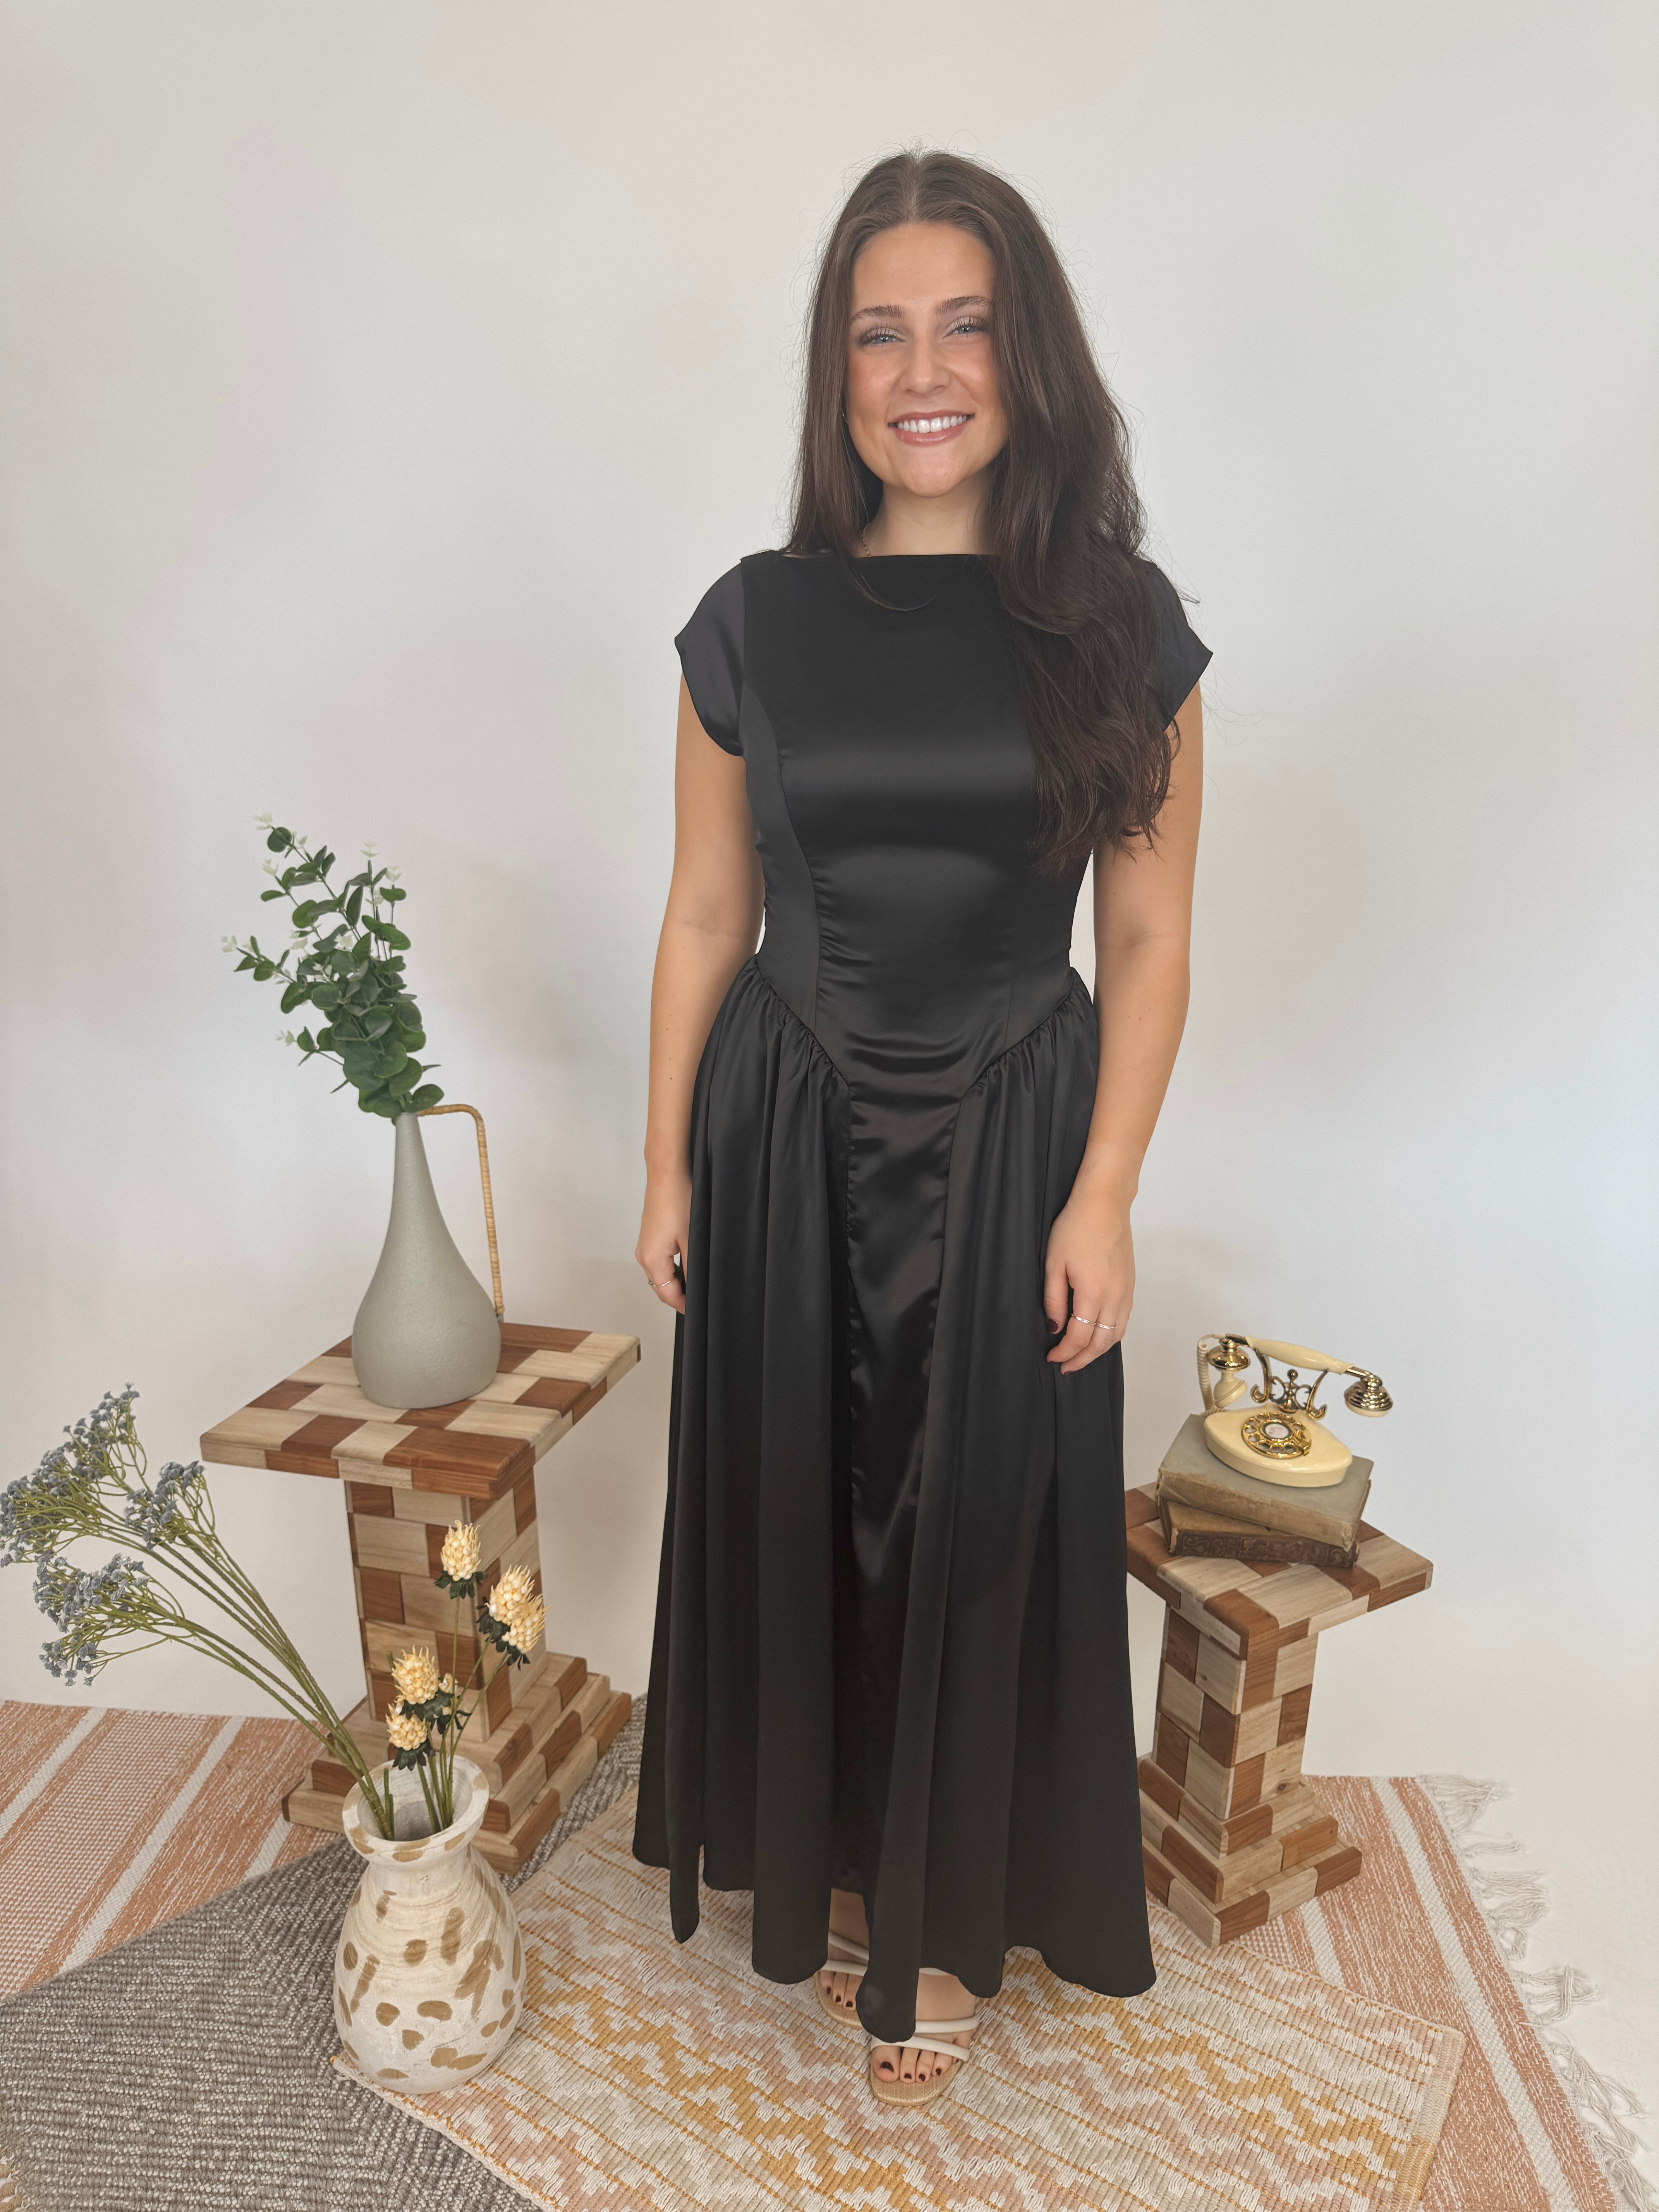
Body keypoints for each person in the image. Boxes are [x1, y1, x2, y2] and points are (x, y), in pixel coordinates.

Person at [632, 148, 1209, 2107]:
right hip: (786, 1112)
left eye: (965, 322)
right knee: (807, 1497)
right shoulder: (753, 621)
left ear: (1029, 355)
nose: (923, 366)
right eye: (880, 331)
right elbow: (712, 910)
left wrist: (1109, 1186)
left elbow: (1144, 926)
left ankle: (950, 1929)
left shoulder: (1122, 629)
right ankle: (828, 1865)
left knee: (973, 1526)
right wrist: (661, 1161)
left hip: (1014, 1121)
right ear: (838, 373)